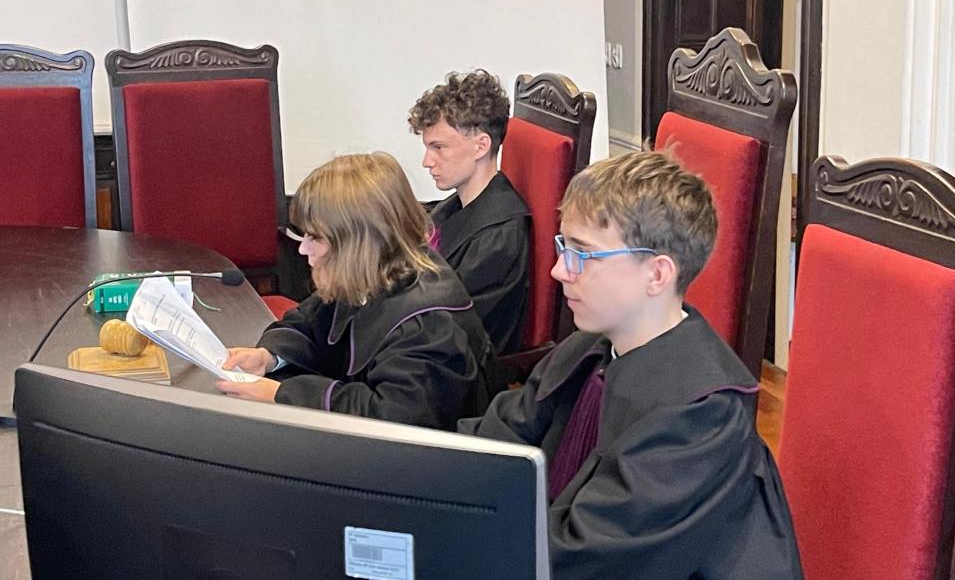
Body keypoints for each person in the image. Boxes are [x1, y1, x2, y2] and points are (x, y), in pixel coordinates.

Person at [459, 150, 803, 578]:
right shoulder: (588, 348)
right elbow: (499, 437)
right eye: (564, 247)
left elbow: (590, 554)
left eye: (583, 254)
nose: (558, 271)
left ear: (657, 275)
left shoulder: (701, 416)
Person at [217, 152, 496, 431]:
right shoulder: (368, 275)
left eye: (315, 237)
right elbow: (306, 322)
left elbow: (393, 419)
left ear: (358, 244)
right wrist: (269, 357)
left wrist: (284, 395)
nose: (302, 248)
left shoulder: (428, 325)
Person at [408, 69, 530, 356]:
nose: (427, 161)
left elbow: (451, 332)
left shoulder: (497, 239)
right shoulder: (454, 205)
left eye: (438, 147)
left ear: (480, 146)